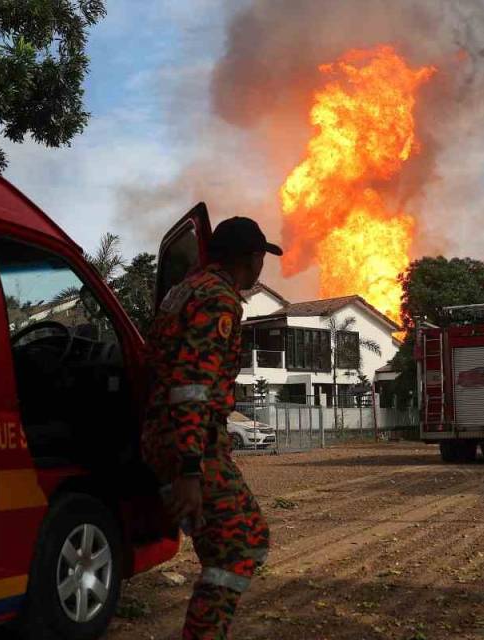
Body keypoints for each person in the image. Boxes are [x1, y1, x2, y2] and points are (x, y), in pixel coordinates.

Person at [141, 216, 279, 639]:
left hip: (170, 437)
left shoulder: (186, 289)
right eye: (261, 257)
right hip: (191, 446)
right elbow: (192, 387)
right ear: (250, 259)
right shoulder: (218, 298)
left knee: (233, 545)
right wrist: (189, 471)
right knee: (241, 545)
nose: (262, 266)